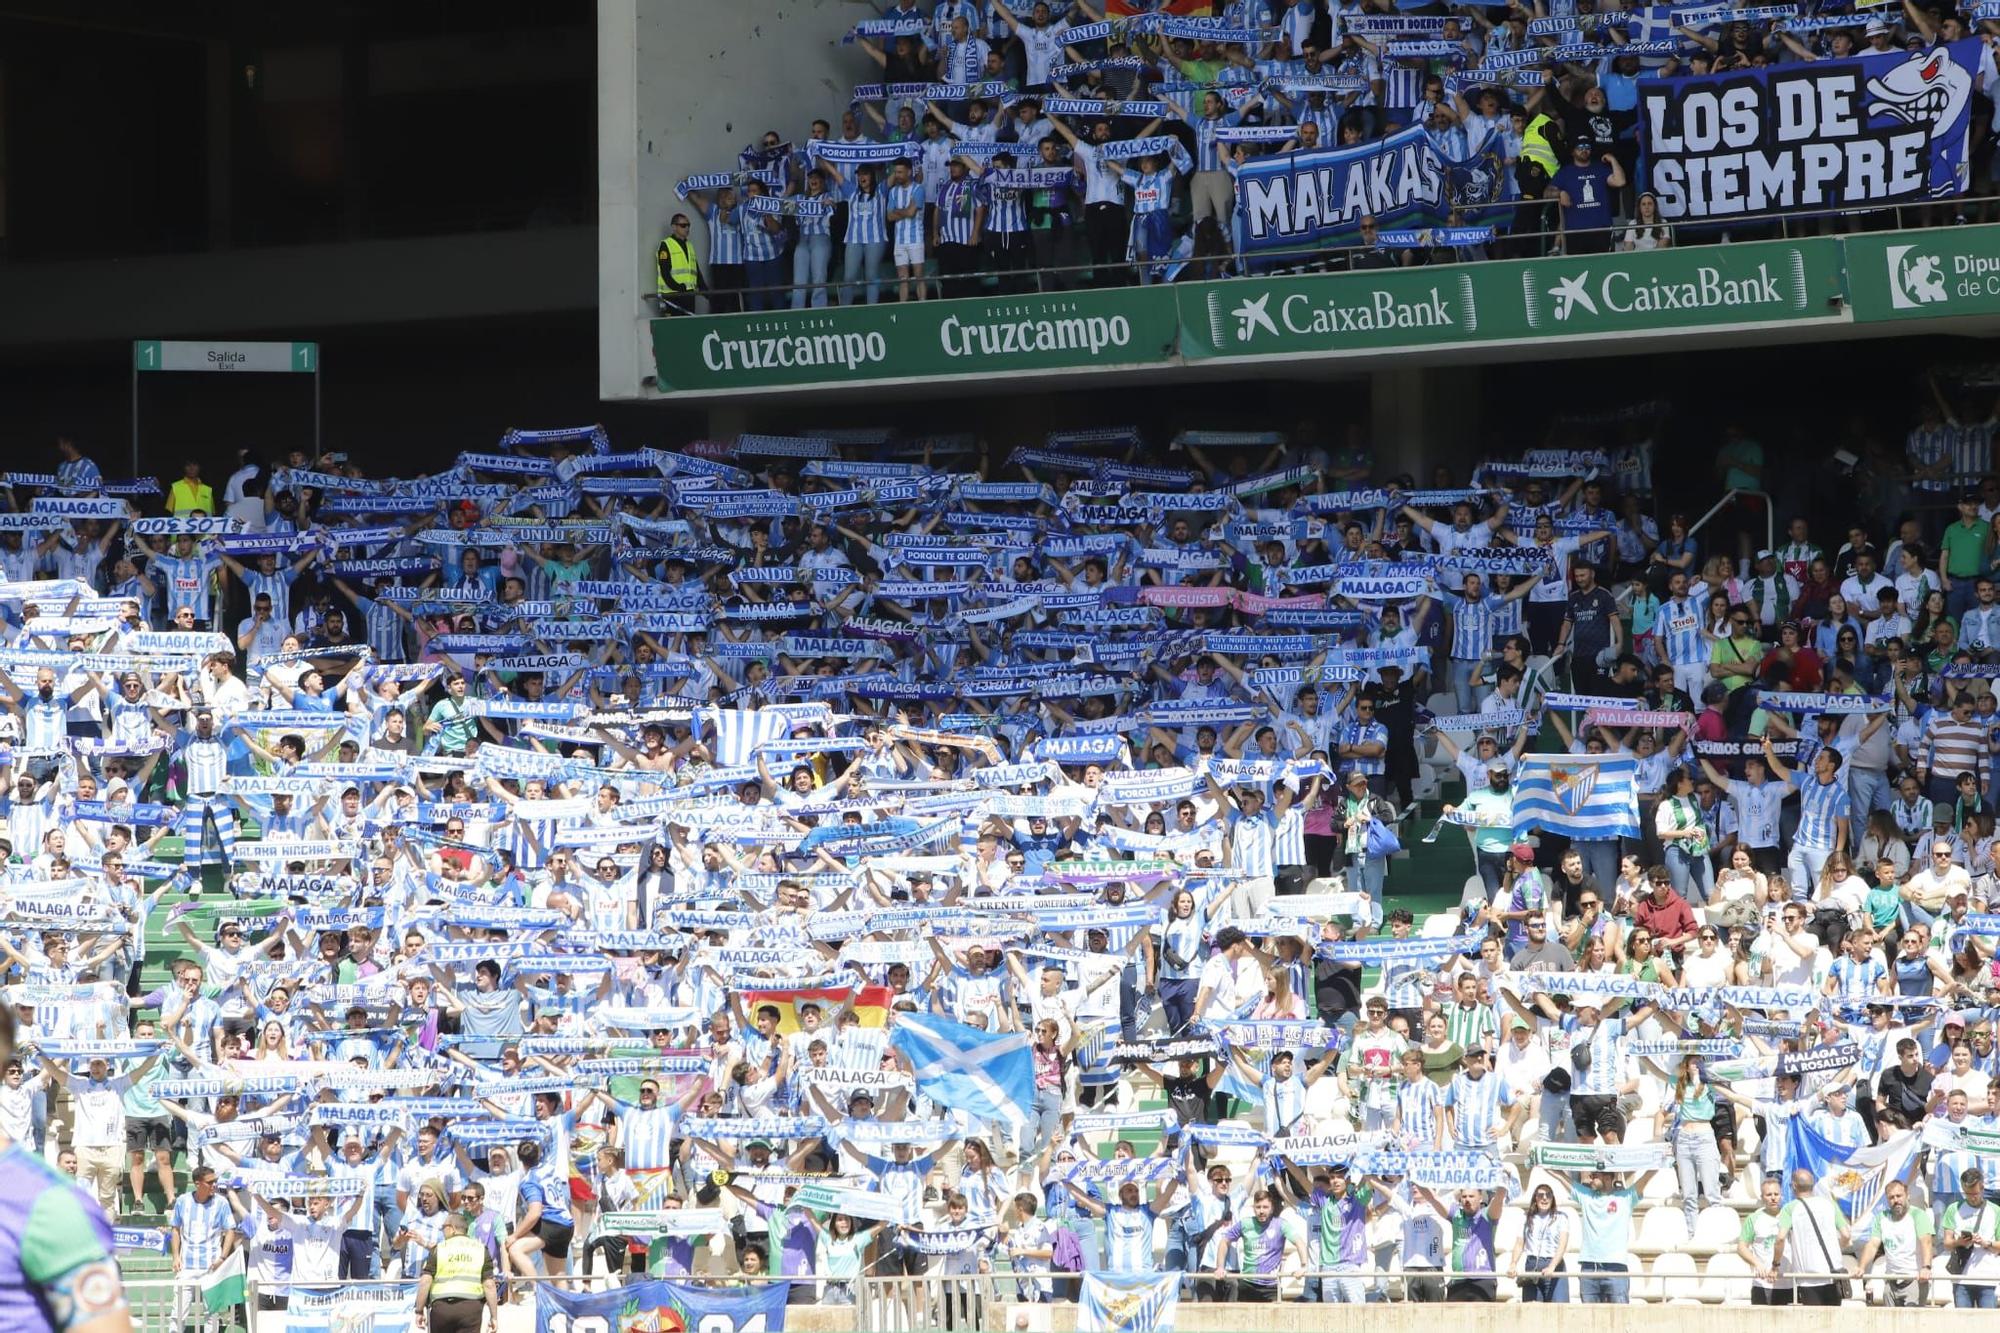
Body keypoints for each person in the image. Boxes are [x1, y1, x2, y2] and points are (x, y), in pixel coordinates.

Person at [1773, 1166, 1852, 1307]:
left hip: (1807, 1278)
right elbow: (1846, 1235)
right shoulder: (1829, 1204)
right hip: (1833, 1275)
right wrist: (1835, 1247)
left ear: (1793, 1186)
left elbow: (1780, 1239)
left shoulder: (1790, 1208)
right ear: (1813, 1185)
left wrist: (1775, 1264)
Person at [418, 1211, 501, 1333]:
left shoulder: (439, 1249)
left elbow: (425, 1281)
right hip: (471, 1309)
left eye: (444, 1227)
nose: (442, 1230)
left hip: (442, 1309)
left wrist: (419, 1310)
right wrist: (494, 1317)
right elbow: (489, 1285)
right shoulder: (481, 1249)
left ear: (452, 1228)